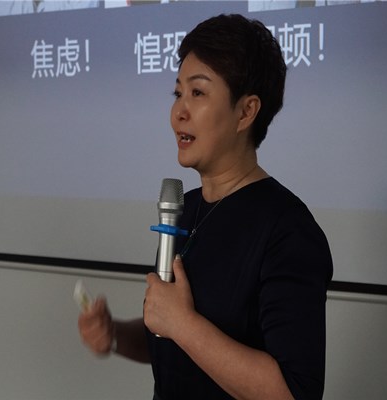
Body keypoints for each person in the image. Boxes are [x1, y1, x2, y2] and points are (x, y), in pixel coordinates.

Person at [78, 13, 333, 400]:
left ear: (246, 111)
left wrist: (183, 324)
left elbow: (295, 392)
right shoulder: (184, 208)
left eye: (197, 93)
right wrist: (115, 335)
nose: (179, 111)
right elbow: (170, 340)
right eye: (177, 93)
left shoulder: (288, 230)